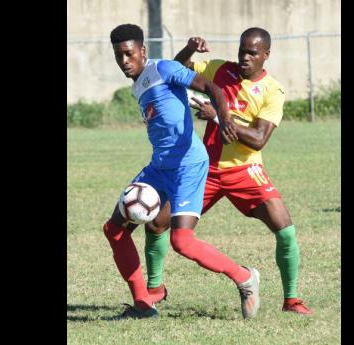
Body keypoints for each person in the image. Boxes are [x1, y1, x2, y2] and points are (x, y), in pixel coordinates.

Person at [146, 27, 313, 315]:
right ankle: (154, 290)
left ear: (266, 55)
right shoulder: (218, 69)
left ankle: (292, 299)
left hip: (245, 170)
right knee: (156, 223)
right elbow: (177, 68)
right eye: (242, 50)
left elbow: (259, 138)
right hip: (203, 170)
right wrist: (188, 49)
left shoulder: (273, 90)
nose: (244, 57)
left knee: (285, 231)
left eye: (252, 53)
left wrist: (220, 116)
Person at [102, 24, 260, 320]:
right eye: (118, 55)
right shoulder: (138, 83)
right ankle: (143, 305)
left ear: (143, 52)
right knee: (114, 230)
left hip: (188, 165)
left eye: (129, 54)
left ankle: (245, 277)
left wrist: (224, 118)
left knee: (182, 241)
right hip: (159, 166)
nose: (124, 61)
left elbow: (213, 88)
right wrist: (186, 49)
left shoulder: (161, 68)